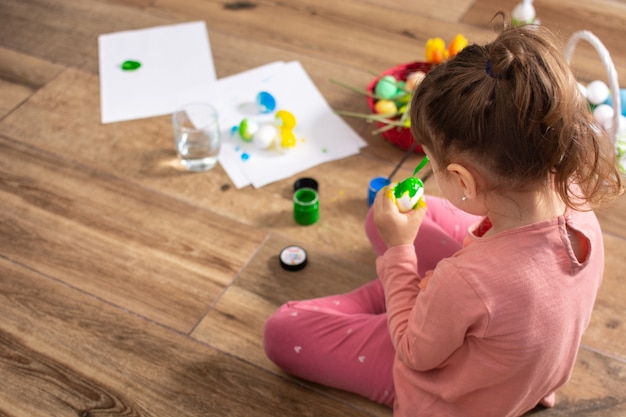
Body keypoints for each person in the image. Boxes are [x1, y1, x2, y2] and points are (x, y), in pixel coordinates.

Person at [263, 24, 624, 417]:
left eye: (433, 164)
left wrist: (399, 257)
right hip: (519, 371)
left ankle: (401, 293)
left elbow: (415, 353)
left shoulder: (465, 282)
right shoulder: (573, 193)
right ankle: (411, 295)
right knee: (382, 220)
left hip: (449, 395)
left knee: (283, 330)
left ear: (464, 179)